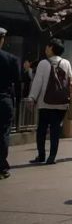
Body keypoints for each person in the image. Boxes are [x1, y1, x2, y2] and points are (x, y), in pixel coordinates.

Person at [27, 39, 72, 164]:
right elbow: (70, 81)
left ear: (51, 48)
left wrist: (32, 97)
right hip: (61, 103)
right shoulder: (66, 63)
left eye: (47, 47)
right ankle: (52, 156)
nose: (46, 49)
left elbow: (38, 82)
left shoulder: (43, 63)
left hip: (45, 102)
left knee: (42, 129)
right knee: (55, 130)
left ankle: (41, 155)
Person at [0, 27, 21, 179]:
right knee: (3, 133)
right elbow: (17, 82)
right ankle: (1, 166)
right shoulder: (11, 59)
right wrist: (17, 101)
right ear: (2, 39)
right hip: (3, 100)